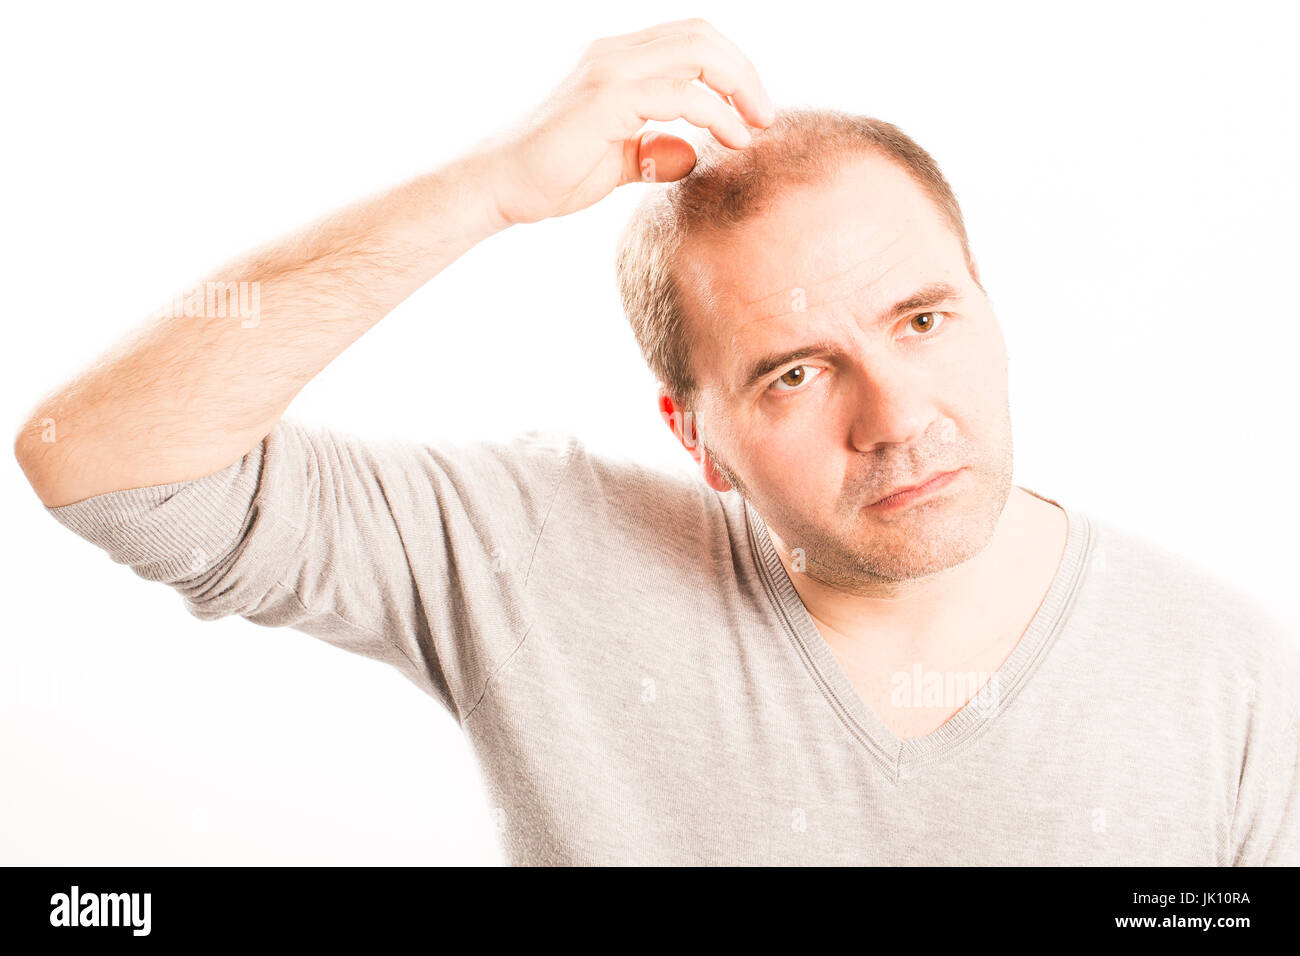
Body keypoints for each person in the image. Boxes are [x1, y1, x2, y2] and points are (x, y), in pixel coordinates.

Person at [15, 17, 1298, 866]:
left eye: (922, 317)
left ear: (987, 305)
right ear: (698, 436)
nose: (898, 418)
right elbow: (99, 455)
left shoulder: (1225, 683)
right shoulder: (533, 559)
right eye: (796, 372)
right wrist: (492, 185)